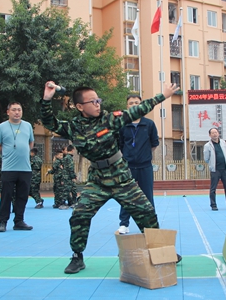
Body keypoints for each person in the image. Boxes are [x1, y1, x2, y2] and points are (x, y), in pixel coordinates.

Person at [41, 80, 179, 274]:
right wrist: (47, 98)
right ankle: (77, 257)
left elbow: (136, 111)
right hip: (97, 181)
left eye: (98, 100)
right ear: (80, 106)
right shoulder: (73, 127)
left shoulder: (110, 119)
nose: (98, 104)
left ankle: (160, 250)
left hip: (121, 177)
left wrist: (162, 96)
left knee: (146, 211)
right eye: (93, 102)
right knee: (79, 215)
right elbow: (49, 122)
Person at [117, 94, 159, 235]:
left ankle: (150, 224)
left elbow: (154, 144)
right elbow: (120, 145)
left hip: (145, 166)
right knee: (126, 195)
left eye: (137, 102)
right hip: (128, 167)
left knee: (147, 196)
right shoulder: (122, 124)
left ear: (141, 105)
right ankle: (124, 224)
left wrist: (143, 156)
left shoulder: (149, 124)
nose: (134, 105)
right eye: (131, 103)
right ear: (127, 106)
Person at [0, 102, 35, 233]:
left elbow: (31, 142)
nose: (17, 112)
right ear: (8, 112)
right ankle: (2, 222)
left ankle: (19, 221)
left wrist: (24, 151)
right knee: (6, 195)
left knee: (22, 196)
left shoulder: (27, 125)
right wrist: (8, 153)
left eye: (19, 110)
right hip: (9, 168)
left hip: (25, 168)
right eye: (14, 110)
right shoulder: (1, 127)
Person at [203, 127, 226, 211]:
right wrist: (212, 165)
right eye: (212, 133)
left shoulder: (223, 142)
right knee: (213, 188)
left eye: (216, 132)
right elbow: (206, 158)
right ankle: (213, 205)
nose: (214, 134)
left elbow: (225, 153)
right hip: (215, 170)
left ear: (218, 133)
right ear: (210, 135)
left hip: (224, 169)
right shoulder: (207, 145)